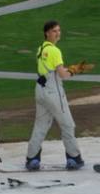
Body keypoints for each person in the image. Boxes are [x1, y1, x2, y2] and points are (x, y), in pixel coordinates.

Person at [26, 20, 83, 171]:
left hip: (40, 89)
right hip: (53, 91)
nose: (58, 34)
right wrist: (74, 71)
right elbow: (62, 75)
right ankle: (73, 158)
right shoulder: (55, 51)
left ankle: (32, 159)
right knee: (67, 124)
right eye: (54, 31)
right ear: (47, 33)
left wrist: (68, 69)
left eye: (58, 30)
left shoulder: (41, 49)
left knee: (40, 125)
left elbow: (50, 69)